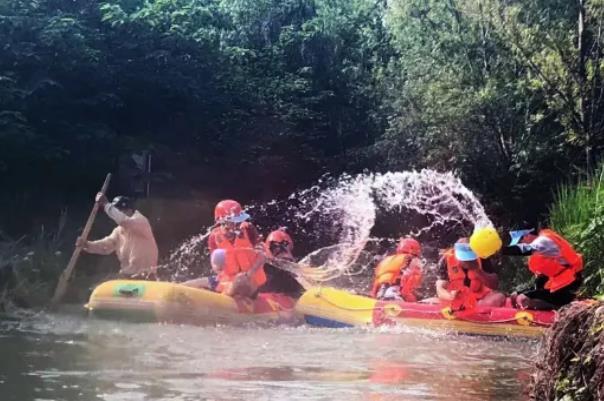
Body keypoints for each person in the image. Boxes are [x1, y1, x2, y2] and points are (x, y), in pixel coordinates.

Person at [77, 194, 158, 279]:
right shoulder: (119, 231)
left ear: (129, 210)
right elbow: (106, 247)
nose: (115, 215)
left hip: (147, 277)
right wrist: (87, 245)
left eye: (119, 211)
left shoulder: (140, 221)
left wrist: (106, 204)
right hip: (127, 276)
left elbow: (123, 220)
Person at [505, 228, 583, 310]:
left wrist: (500, 251)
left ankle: (561, 307)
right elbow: (540, 284)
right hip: (559, 282)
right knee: (530, 288)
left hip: (570, 281)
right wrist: (519, 292)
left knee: (526, 299)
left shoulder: (542, 241)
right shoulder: (539, 251)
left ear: (527, 236)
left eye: (519, 242)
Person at [207, 200, 267, 297]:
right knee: (196, 283)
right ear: (222, 221)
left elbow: (262, 256)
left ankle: (227, 299)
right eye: (235, 220)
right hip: (228, 282)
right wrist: (217, 266)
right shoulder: (213, 237)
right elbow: (216, 267)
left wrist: (249, 274)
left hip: (251, 281)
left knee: (240, 280)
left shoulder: (249, 229)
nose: (239, 223)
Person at [435, 238, 505, 308]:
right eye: (463, 257)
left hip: (480, 301)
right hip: (456, 300)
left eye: (469, 257)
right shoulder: (446, 259)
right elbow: (440, 289)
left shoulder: (482, 257)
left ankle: (477, 309)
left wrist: (478, 270)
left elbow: (494, 284)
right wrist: (450, 296)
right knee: (429, 301)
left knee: (499, 297)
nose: (467, 261)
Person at [371, 237, 423, 302]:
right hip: (395, 297)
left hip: (380, 295)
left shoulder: (385, 260)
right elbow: (405, 290)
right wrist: (414, 302)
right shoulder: (413, 261)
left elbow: (375, 288)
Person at [258, 228, 305, 297]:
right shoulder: (263, 260)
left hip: (288, 293)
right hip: (270, 293)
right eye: (276, 246)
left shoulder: (293, 265)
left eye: (284, 246)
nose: (280, 249)